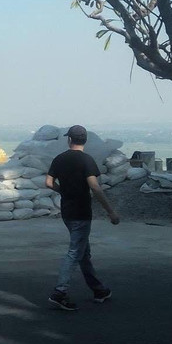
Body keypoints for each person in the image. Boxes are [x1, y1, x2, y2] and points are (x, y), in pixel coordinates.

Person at [45, 125, 120, 312]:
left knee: (82, 253)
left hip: (67, 212)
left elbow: (48, 182)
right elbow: (94, 187)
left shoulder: (59, 159)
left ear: (69, 139)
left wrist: (63, 191)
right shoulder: (87, 160)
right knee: (74, 252)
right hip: (81, 212)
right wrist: (111, 211)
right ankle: (59, 292)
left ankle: (99, 290)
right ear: (84, 140)